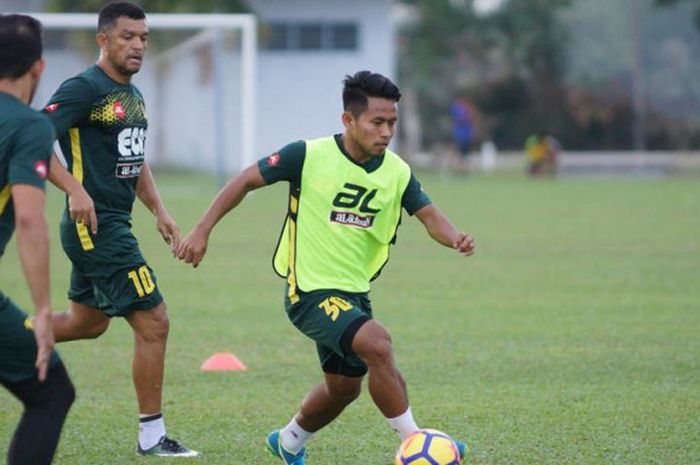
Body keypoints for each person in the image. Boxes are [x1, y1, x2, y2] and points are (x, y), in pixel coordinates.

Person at [177, 71, 476, 464]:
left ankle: (287, 441)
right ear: (348, 121)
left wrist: (454, 236)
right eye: (377, 122)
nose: (386, 132)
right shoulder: (308, 155)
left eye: (392, 123)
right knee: (378, 345)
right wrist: (202, 229)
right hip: (309, 292)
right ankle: (418, 442)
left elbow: (429, 215)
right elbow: (245, 180)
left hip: (354, 293)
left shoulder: (396, 171)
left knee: (343, 389)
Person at [40, 2, 198, 457]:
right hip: (98, 227)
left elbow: (134, 156)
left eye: (144, 37)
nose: (138, 45)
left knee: (87, 324)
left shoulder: (132, 95)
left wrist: (159, 210)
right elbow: (34, 136)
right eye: (128, 36)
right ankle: (152, 437)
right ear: (103, 40)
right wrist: (73, 188)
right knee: (154, 320)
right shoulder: (83, 88)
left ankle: (11, 333)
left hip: (112, 222)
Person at [0, 14, 75, 465]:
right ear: (39, 68)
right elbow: (30, 218)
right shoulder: (30, 127)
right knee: (51, 393)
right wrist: (44, 311)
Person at [450, 96, 475, 173]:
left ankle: (463, 169)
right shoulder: (457, 108)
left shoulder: (467, 107)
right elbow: (459, 119)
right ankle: (459, 169)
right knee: (460, 153)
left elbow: (471, 119)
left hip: (466, 135)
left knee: (465, 153)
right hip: (460, 135)